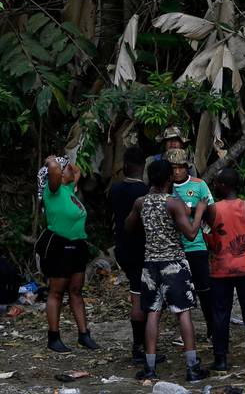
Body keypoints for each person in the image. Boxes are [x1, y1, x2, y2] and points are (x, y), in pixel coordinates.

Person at [126, 160, 209, 382]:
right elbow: (191, 234)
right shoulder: (173, 203)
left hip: (150, 264)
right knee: (183, 313)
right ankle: (192, 368)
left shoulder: (140, 202)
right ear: (169, 178)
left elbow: (128, 227)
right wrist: (199, 211)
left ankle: (150, 368)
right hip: (174, 263)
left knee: (153, 313)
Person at [205, 168, 245, 372]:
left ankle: (221, 359)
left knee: (220, 314)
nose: (214, 186)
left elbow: (208, 236)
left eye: (216, 183)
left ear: (222, 185)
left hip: (221, 268)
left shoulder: (213, 209)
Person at [37, 154, 98, 352]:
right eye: (66, 169)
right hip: (59, 246)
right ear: (60, 174)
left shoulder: (69, 189)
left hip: (77, 245)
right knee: (56, 292)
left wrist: (68, 163)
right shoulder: (52, 190)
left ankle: (84, 335)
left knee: (76, 291)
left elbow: (78, 169)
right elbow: (54, 169)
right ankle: (53, 337)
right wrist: (52, 160)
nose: (72, 171)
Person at [108, 146, 156, 364]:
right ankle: (141, 347)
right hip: (143, 251)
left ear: (125, 165)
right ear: (142, 167)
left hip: (123, 249)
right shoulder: (145, 193)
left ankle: (142, 344)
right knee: (142, 300)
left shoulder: (115, 189)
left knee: (136, 293)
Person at [163, 148, 217, 340]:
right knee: (178, 293)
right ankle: (185, 334)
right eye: (173, 168)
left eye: (181, 167)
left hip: (196, 246)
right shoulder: (165, 188)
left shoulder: (199, 185)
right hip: (173, 248)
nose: (177, 172)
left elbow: (211, 211)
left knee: (204, 290)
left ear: (187, 167)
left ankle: (212, 328)